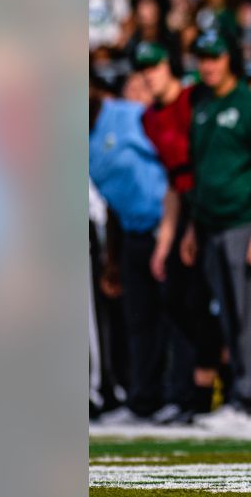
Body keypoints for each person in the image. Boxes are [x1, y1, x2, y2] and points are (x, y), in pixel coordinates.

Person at [184, 32, 251, 428]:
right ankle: (241, 396)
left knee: (250, 316)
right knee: (229, 316)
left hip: (245, 222)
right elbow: (201, 173)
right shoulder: (204, 106)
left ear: (230, 59)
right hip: (210, 225)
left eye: (215, 56)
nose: (208, 64)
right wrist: (193, 229)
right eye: (202, 57)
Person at [135, 43, 223, 424]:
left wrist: (191, 228)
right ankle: (193, 387)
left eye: (153, 66)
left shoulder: (194, 100)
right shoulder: (150, 119)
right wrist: (165, 239)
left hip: (211, 200)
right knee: (176, 298)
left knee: (202, 297)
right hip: (184, 201)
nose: (148, 75)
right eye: (142, 69)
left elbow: (202, 162)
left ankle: (213, 386)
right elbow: (174, 181)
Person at [88, 86, 168, 424]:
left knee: (176, 316)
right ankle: (143, 399)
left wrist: (175, 226)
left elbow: (171, 163)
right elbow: (109, 202)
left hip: (166, 226)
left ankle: (180, 396)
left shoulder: (130, 115)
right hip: (130, 232)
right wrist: (112, 259)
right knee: (138, 321)